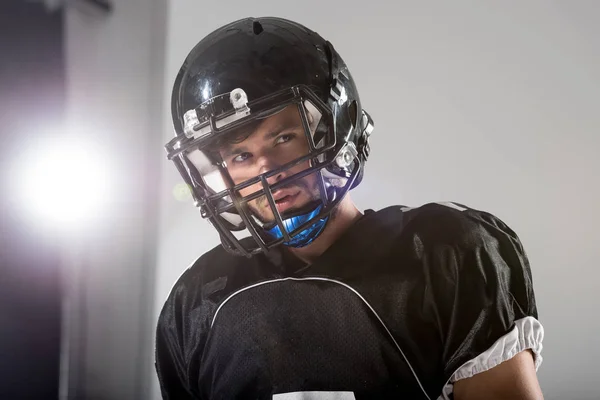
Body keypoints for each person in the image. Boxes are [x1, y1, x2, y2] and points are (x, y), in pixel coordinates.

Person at [155, 17, 544, 400]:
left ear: (337, 128)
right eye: (241, 154)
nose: (266, 171)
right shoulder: (196, 301)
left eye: (284, 137)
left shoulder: (448, 255)